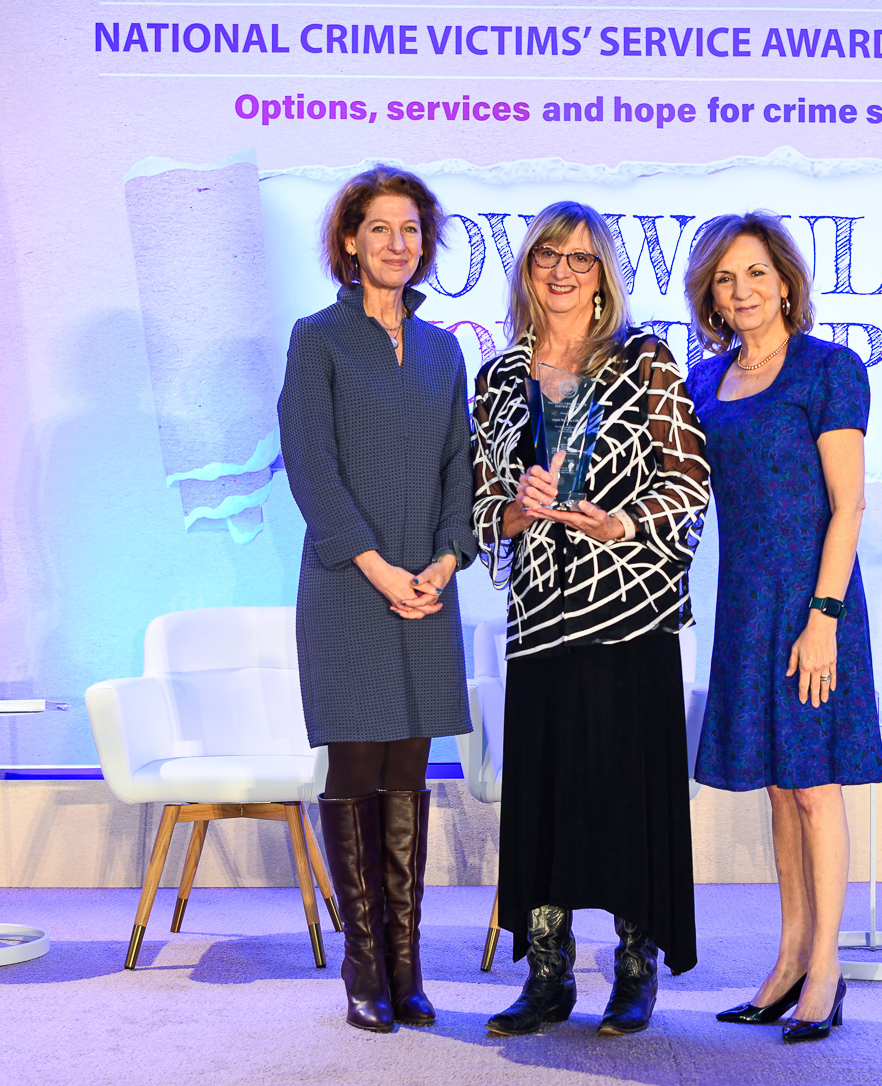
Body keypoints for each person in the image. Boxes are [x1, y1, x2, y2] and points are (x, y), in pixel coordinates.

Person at [471, 201, 710, 1037]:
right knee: (543, 798)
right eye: (548, 255)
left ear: (603, 272)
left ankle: (636, 973)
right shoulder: (499, 377)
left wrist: (621, 522)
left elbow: (689, 484)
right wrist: (512, 509)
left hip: (628, 618)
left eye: (581, 258)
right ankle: (548, 977)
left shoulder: (646, 361)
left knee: (625, 799)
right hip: (539, 621)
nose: (563, 271)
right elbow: (479, 510)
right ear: (528, 267)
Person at [279, 166, 477, 1034]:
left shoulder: (443, 348)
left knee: (409, 771)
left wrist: (443, 558)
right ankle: (363, 969)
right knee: (356, 770)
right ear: (350, 242)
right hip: (348, 588)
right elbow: (312, 468)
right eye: (381, 228)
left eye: (411, 229)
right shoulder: (316, 338)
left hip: (427, 590)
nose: (398, 243)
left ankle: (406, 965)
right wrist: (377, 567)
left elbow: (458, 468)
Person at [682, 212, 882, 1044]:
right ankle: (789, 957)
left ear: (787, 281)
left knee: (814, 785)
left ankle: (826, 968)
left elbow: (850, 506)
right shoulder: (704, 380)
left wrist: (824, 619)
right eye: (727, 279)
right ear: (711, 295)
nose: (744, 291)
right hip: (744, 606)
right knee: (776, 785)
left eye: (757, 274)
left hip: (815, 605)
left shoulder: (830, 369)